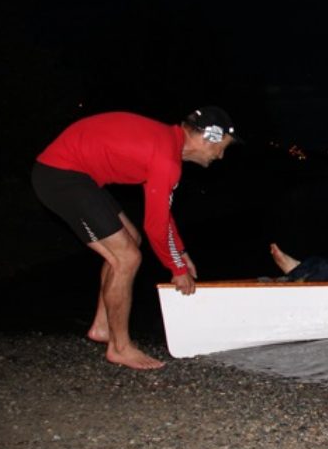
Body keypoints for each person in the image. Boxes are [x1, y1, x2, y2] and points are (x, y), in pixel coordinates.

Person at [32, 106, 241, 369]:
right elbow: (155, 226)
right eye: (223, 146)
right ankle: (120, 348)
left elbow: (161, 215)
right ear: (208, 137)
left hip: (74, 176)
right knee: (127, 257)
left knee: (130, 239)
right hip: (61, 175)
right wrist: (176, 268)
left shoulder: (166, 146)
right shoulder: (166, 158)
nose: (221, 156)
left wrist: (180, 251)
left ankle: (103, 326)